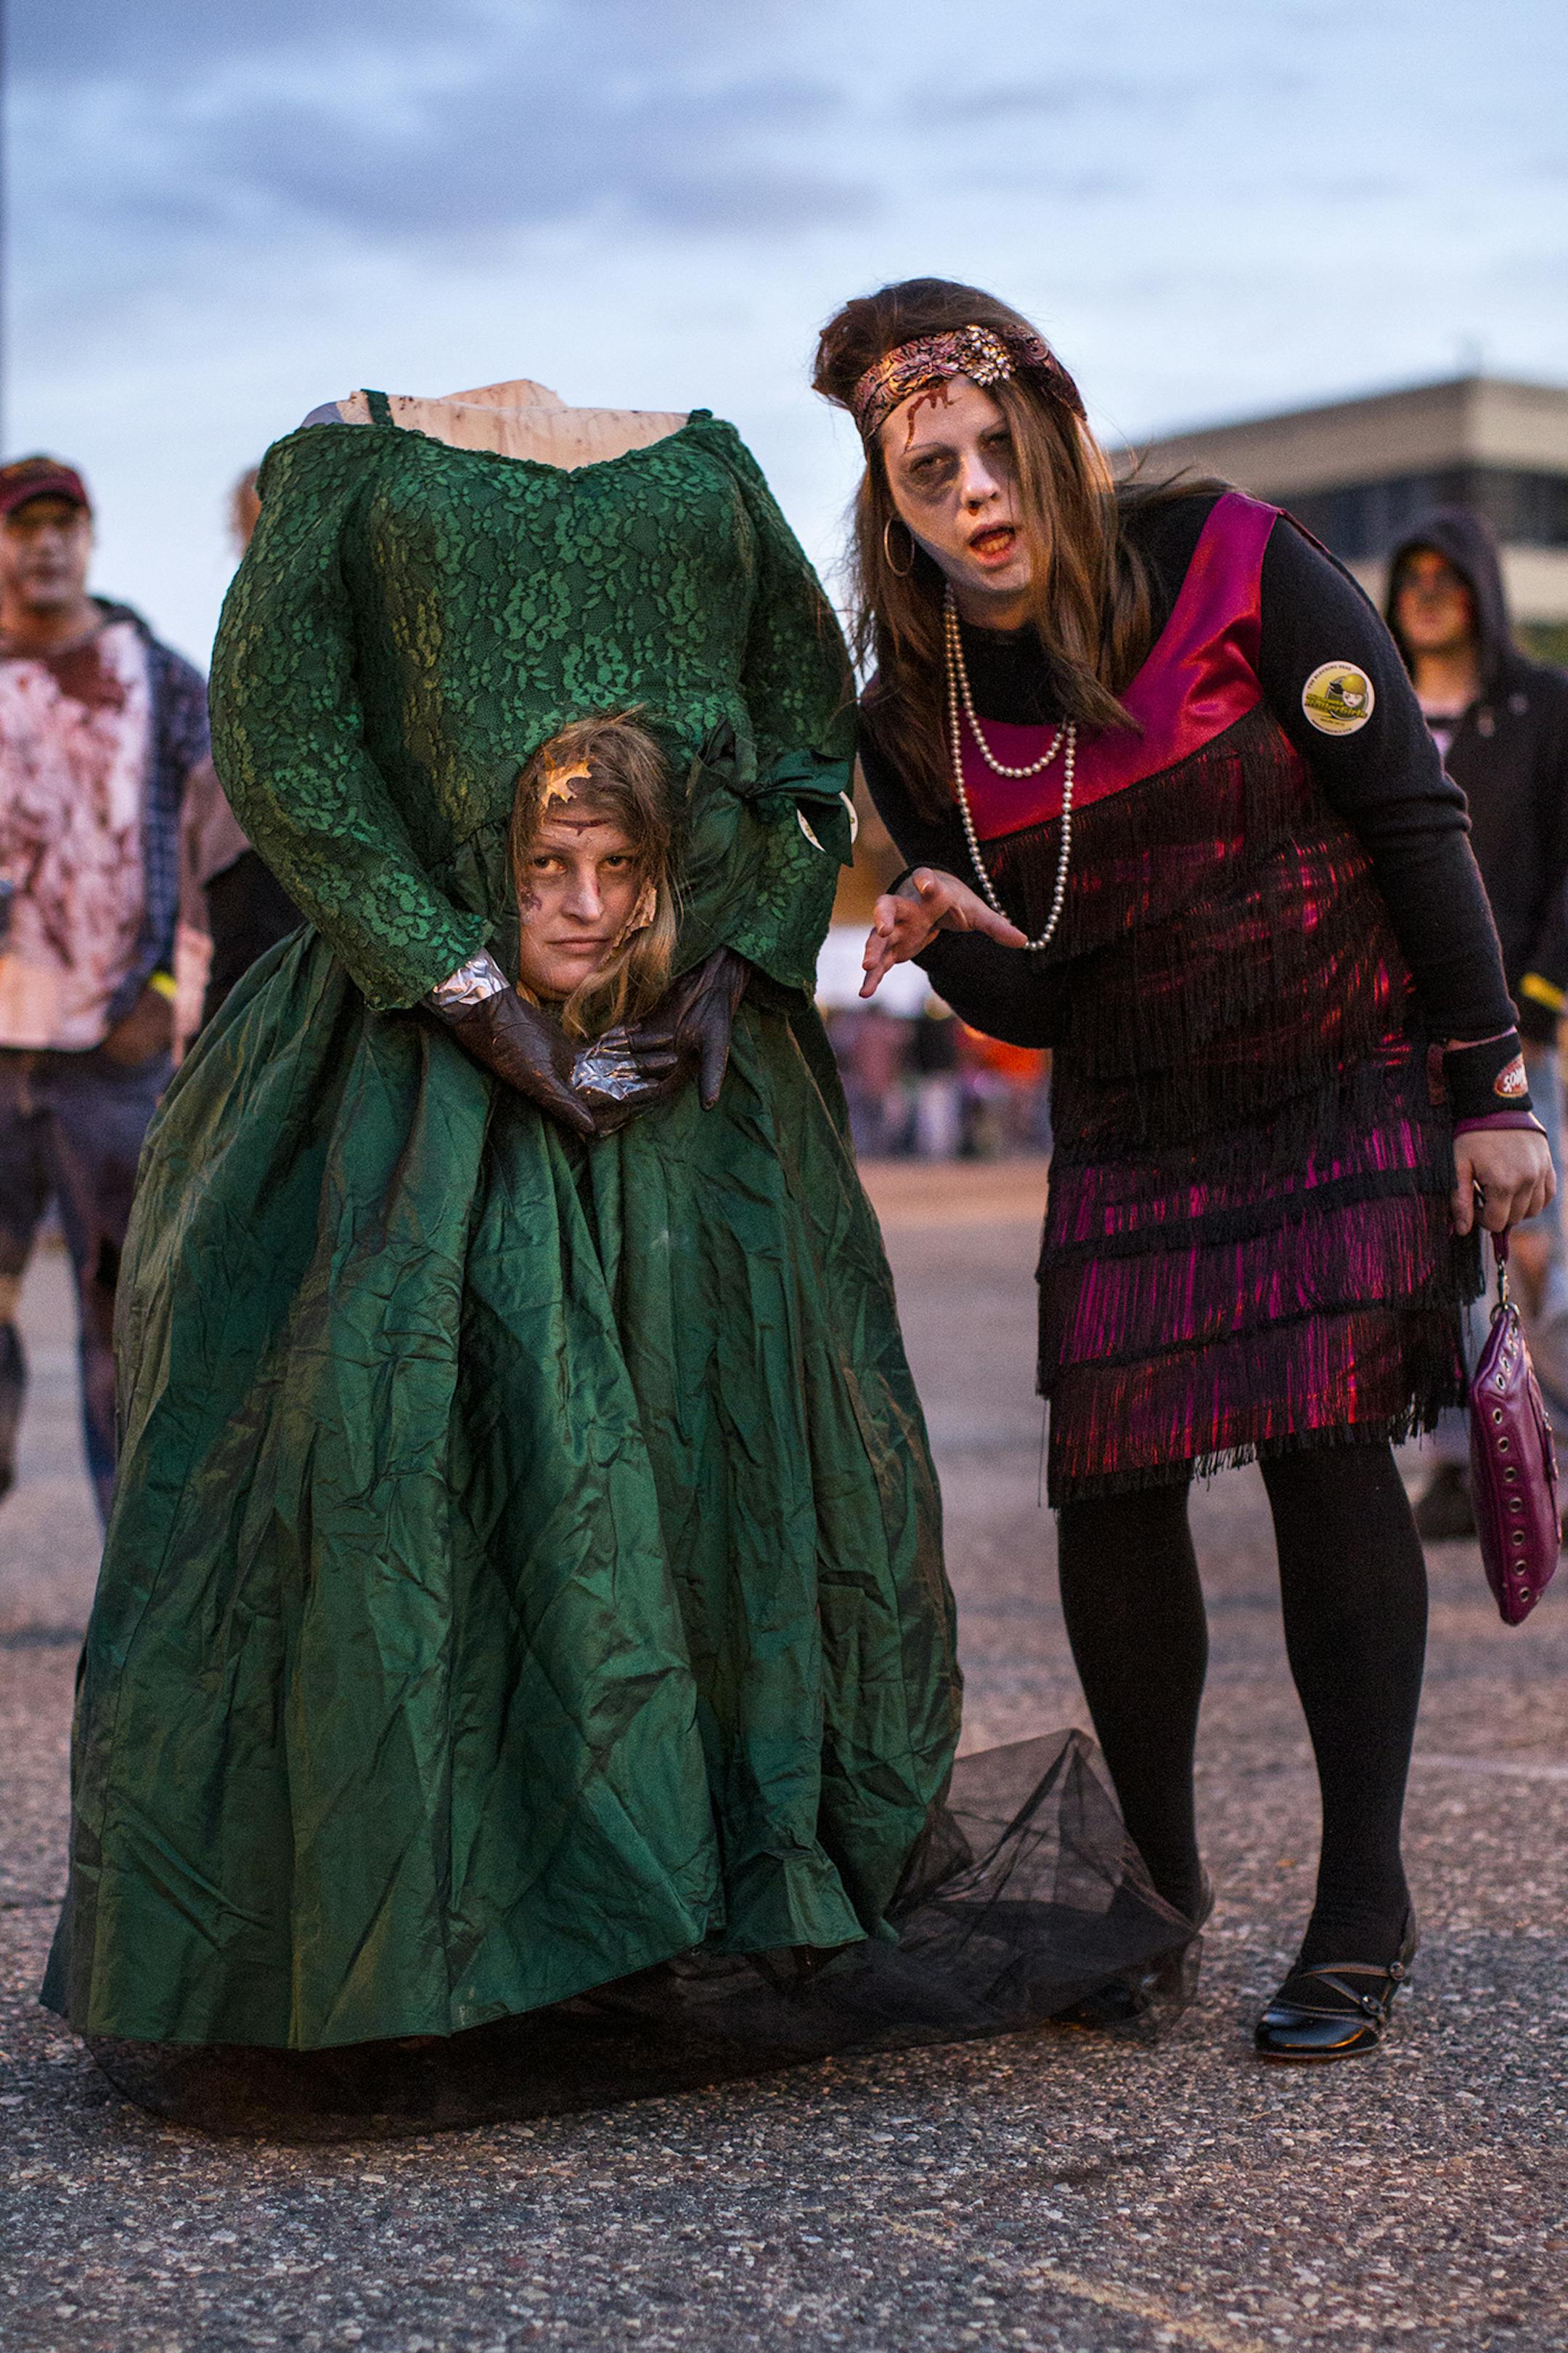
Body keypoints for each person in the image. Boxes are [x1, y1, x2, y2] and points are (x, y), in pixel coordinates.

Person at [44, 382, 1177, 2129]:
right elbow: (284, 745)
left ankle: (704, 1881)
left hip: (701, 1090)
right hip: (405, 1069)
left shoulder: (711, 464)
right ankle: (433, 1926)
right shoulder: (343, 462)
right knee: (401, 1468)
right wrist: (472, 993)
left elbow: (812, 741)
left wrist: (737, 958)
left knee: (707, 1457)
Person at [816, 280, 1553, 2062]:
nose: (978, 492)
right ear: (891, 506)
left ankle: (1362, 1906)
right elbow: (1048, 979)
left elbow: (1412, 816)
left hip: (1339, 1069)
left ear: (1060, 437)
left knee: (1321, 1452)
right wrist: (944, 945)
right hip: (1141, 1111)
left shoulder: (1238, 558)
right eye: (933, 474)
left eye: (1001, 448)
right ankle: (1154, 1895)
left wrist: (1490, 1089)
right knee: (1113, 1483)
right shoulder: (911, 714)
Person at [0, 454, 208, 1517]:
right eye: (22, 523)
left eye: (61, 523)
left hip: (111, 1056)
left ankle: (135, 1608)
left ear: (87, 537)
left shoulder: (158, 675)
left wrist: (167, 989)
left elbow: (222, 839)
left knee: (124, 1332)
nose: (43, 542)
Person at [1385, 515, 1568, 1539]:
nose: (1426, 593)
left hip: (1522, 1025)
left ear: (1483, 590)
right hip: (1398, 1033)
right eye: (1410, 576)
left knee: (1538, 1241)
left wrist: (1541, 993)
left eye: (1447, 576)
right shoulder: (1370, 706)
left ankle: (1559, 1455)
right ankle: (1464, 1462)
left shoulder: (1545, 705)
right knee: (1438, 1241)